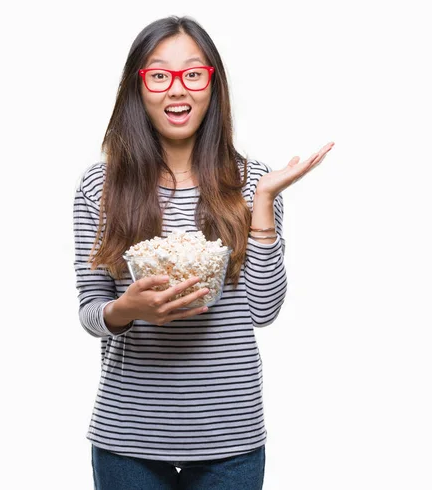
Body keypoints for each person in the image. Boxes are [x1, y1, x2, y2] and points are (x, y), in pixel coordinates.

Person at [73, 15, 334, 490]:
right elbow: (90, 313)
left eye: (193, 73)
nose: (178, 89)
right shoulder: (101, 185)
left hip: (230, 435)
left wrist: (263, 204)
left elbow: (262, 310)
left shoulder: (253, 181)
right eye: (159, 75)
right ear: (139, 87)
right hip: (129, 434)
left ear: (212, 84)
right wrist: (126, 309)